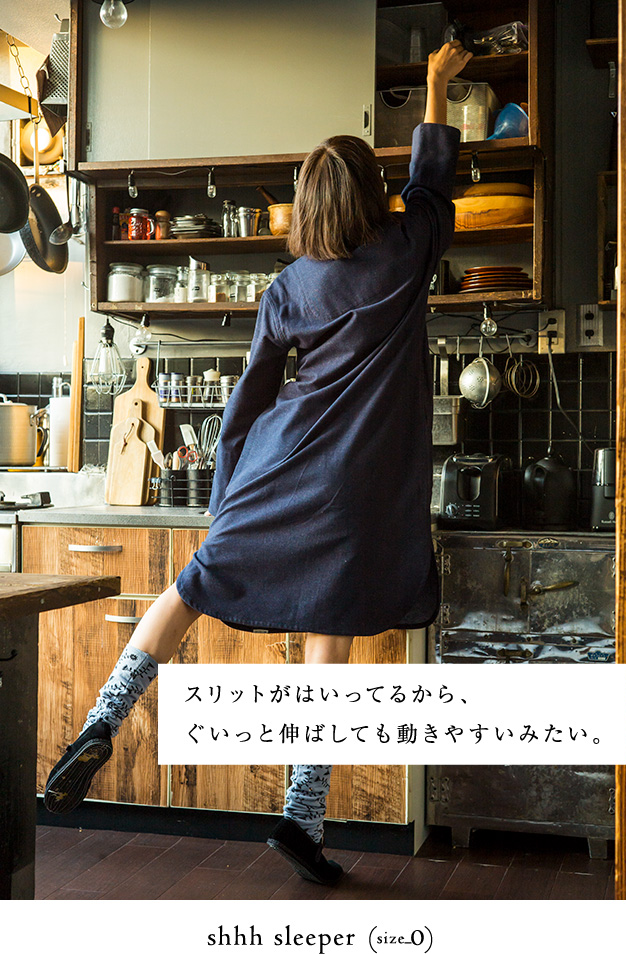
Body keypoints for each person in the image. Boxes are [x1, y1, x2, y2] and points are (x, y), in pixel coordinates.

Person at [44, 40, 472, 887]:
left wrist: (229, 498)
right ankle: (302, 813)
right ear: (374, 198)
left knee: (189, 588)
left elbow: (246, 401)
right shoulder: (407, 251)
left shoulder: (286, 290)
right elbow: (432, 181)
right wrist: (431, 85)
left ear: (307, 207)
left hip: (277, 473)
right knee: (329, 636)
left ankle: (100, 721)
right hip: (354, 495)